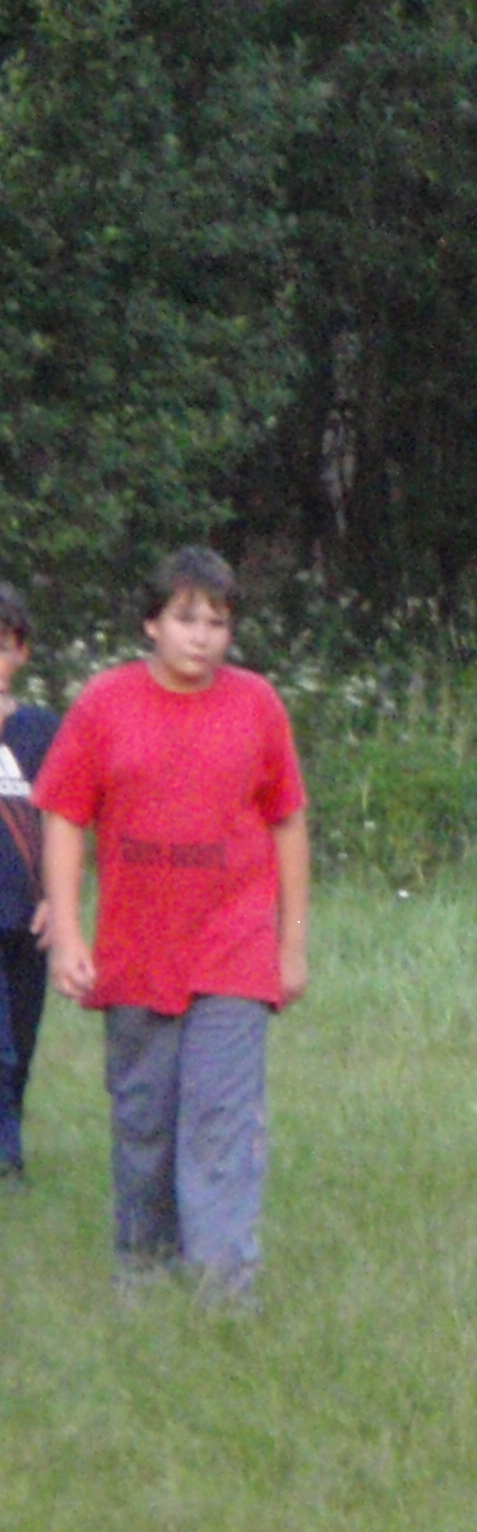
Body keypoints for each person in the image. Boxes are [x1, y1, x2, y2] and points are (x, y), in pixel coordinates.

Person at [33, 549, 309, 1295]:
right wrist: (68, 934)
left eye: (218, 622)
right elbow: (65, 816)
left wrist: (290, 946)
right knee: (146, 1122)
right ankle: (144, 1274)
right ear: (151, 624)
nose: (201, 636)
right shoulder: (104, 703)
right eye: (186, 619)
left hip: (234, 950)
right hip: (136, 953)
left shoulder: (257, 704)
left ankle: (223, 1288)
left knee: (221, 1121)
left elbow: (287, 821)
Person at [0, 583, 55, 1181]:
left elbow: (66, 820)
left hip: (28, 913)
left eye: (2, 645)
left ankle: (9, 1123)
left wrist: (57, 902)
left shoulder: (43, 732)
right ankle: (6, 1157)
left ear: (21, 652)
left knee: (21, 1038)